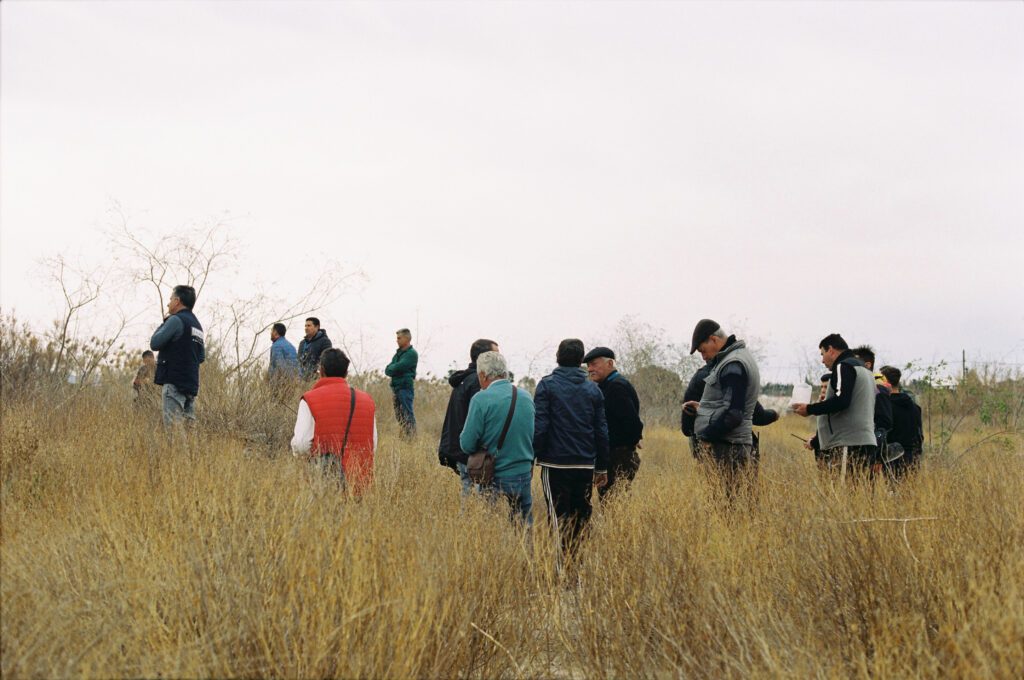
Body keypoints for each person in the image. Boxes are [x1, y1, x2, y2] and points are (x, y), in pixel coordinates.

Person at [534, 339, 609, 564]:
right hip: (585, 465)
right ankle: (577, 565)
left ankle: (560, 569)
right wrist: (602, 466)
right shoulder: (593, 389)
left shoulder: (546, 386)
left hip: (555, 464)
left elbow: (540, 427)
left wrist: (533, 457)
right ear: (581, 361)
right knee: (581, 516)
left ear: (558, 357)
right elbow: (601, 430)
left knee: (558, 517)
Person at [681, 320, 762, 499]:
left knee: (726, 510)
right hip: (733, 445)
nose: (703, 356)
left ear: (713, 340)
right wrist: (702, 409)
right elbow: (728, 404)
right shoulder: (735, 359)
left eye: (702, 350)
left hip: (728, 448)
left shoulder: (732, 365)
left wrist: (707, 436)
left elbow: (734, 414)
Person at [459, 351, 536, 523]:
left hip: (494, 476)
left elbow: (467, 444)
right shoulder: (526, 397)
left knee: (493, 531)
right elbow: (533, 436)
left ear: (483, 375)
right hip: (523, 474)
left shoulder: (481, 399)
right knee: (523, 531)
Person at [792, 334, 877, 479]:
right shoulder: (865, 370)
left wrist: (810, 409)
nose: (822, 360)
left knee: (844, 496)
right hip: (865, 442)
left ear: (831, 350)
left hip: (848, 443)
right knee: (859, 496)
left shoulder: (843, 366)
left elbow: (841, 401)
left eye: (822, 354)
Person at [291, 348, 377, 491]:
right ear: (346, 373)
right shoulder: (367, 401)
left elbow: (300, 445)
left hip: (325, 485)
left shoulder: (309, 399)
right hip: (360, 483)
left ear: (321, 370)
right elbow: (372, 444)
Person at [681, 362, 779, 460]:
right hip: (730, 449)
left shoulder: (699, 376)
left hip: (700, 449)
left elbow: (687, 429)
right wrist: (775, 414)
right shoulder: (731, 376)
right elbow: (758, 416)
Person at [438, 338, 499, 491]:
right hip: (473, 456)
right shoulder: (478, 383)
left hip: (460, 451)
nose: (500, 360)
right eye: (495, 355)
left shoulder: (464, 380)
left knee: (469, 498)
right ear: (484, 358)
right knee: (478, 500)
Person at [583, 347, 643, 498]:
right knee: (611, 502)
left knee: (614, 502)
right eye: (588, 366)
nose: (590, 369)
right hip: (614, 454)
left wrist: (632, 441)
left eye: (594, 364)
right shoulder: (607, 385)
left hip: (618, 456)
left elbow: (632, 422)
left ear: (609, 363)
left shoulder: (616, 386)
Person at [150, 285, 205, 427]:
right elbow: (201, 357)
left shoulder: (175, 320)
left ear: (177, 300)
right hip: (191, 386)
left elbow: (154, 343)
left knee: (174, 433)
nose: (168, 303)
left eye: (170, 299)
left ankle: (176, 451)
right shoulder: (197, 326)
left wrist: (164, 323)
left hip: (174, 384)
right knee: (188, 433)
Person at [879, 365, 924, 476]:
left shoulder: (884, 407)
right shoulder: (915, 407)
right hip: (912, 458)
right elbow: (919, 435)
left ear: (885, 382)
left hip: (890, 458)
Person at [852, 345, 894, 456]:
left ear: (867, 365)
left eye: (854, 365)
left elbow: (884, 423)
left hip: (869, 452)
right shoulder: (859, 388)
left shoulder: (878, 389)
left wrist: (877, 455)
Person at [385, 328, 418, 437]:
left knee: (407, 414)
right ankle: (405, 436)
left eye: (399, 338)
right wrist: (393, 369)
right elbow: (388, 369)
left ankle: (412, 438)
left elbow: (399, 367)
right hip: (396, 388)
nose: (397, 340)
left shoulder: (411, 354)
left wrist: (394, 369)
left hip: (405, 388)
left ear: (407, 338)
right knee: (399, 416)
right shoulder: (398, 354)